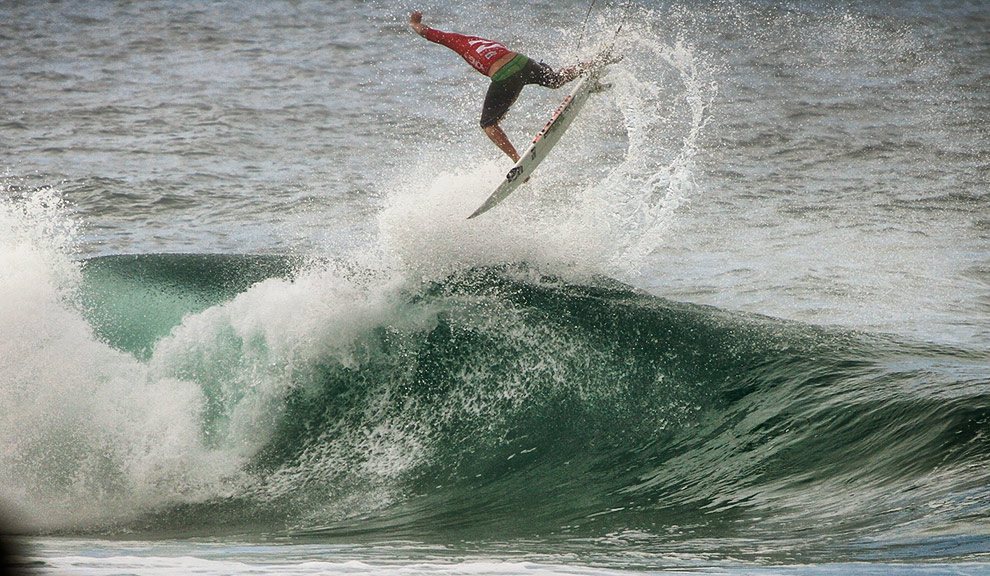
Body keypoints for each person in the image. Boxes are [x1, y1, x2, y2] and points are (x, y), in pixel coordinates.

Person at [409, 11, 584, 163]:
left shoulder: (458, 41)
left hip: (504, 74)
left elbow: (428, 33)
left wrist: (414, 23)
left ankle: (516, 160)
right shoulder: (488, 42)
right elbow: (516, 82)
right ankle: (592, 63)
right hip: (522, 61)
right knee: (555, 80)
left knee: (488, 124)